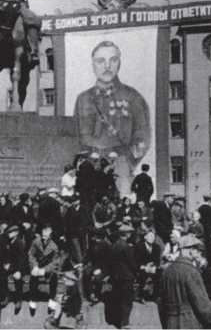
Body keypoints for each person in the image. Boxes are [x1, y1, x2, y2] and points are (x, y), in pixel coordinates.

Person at [74, 41, 151, 197]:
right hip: (90, 164)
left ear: (119, 63)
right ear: (93, 64)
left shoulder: (133, 97)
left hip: (120, 162)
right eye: (101, 61)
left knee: (120, 199)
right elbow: (75, 133)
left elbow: (142, 136)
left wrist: (127, 162)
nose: (107, 66)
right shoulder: (83, 98)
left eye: (113, 60)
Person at [158, 234, 211, 329]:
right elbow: (202, 303)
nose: (198, 252)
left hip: (170, 322)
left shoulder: (167, 271)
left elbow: (160, 302)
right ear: (190, 250)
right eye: (196, 249)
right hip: (189, 322)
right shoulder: (191, 272)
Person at [105, 223, 138, 329]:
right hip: (127, 277)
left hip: (116, 277)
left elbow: (110, 262)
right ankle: (125, 323)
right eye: (129, 233)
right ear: (127, 234)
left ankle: (118, 322)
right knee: (127, 301)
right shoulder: (126, 247)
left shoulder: (114, 245)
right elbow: (132, 263)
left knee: (118, 299)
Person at [28, 224, 61, 317]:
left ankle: (52, 299)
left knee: (54, 276)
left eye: (47, 235)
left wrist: (44, 270)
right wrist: (34, 266)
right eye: (43, 235)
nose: (44, 238)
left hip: (47, 268)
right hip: (37, 265)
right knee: (33, 277)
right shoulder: (36, 242)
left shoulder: (54, 247)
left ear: (50, 236)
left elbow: (55, 262)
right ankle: (33, 300)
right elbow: (31, 255)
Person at [134, 227, 162, 302]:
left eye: (153, 237)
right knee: (143, 274)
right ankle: (141, 296)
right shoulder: (138, 246)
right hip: (142, 267)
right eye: (150, 236)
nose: (152, 238)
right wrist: (144, 266)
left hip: (152, 267)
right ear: (145, 237)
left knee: (159, 273)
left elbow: (157, 260)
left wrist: (153, 265)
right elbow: (136, 260)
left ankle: (155, 296)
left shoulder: (157, 247)